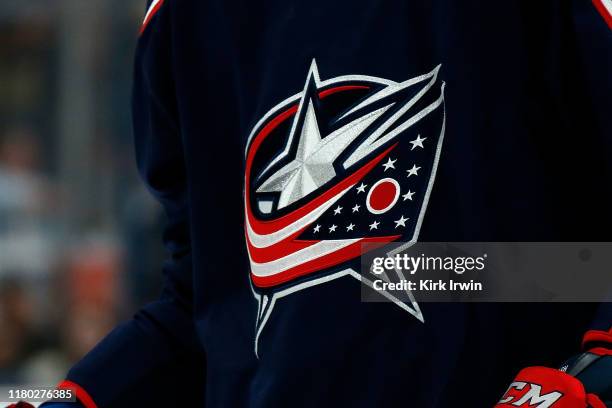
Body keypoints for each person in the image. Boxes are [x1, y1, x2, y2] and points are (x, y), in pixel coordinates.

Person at [28, 0, 612, 406]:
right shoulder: (183, 21)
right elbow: (208, 310)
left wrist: (575, 380)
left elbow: (578, 269)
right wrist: (61, 399)